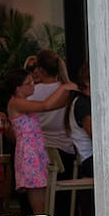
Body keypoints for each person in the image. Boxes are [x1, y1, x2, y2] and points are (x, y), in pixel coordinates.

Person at [5, 69, 68, 216]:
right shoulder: (17, 103)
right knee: (38, 204)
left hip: (35, 149)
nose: (33, 85)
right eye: (28, 83)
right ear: (17, 88)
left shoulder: (23, 103)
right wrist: (64, 87)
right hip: (29, 152)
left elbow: (52, 105)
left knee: (43, 199)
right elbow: (45, 105)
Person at [27, 50, 78, 180]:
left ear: (41, 70)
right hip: (66, 147)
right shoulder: (69, 89)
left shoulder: (32, 92)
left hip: (40, 147)